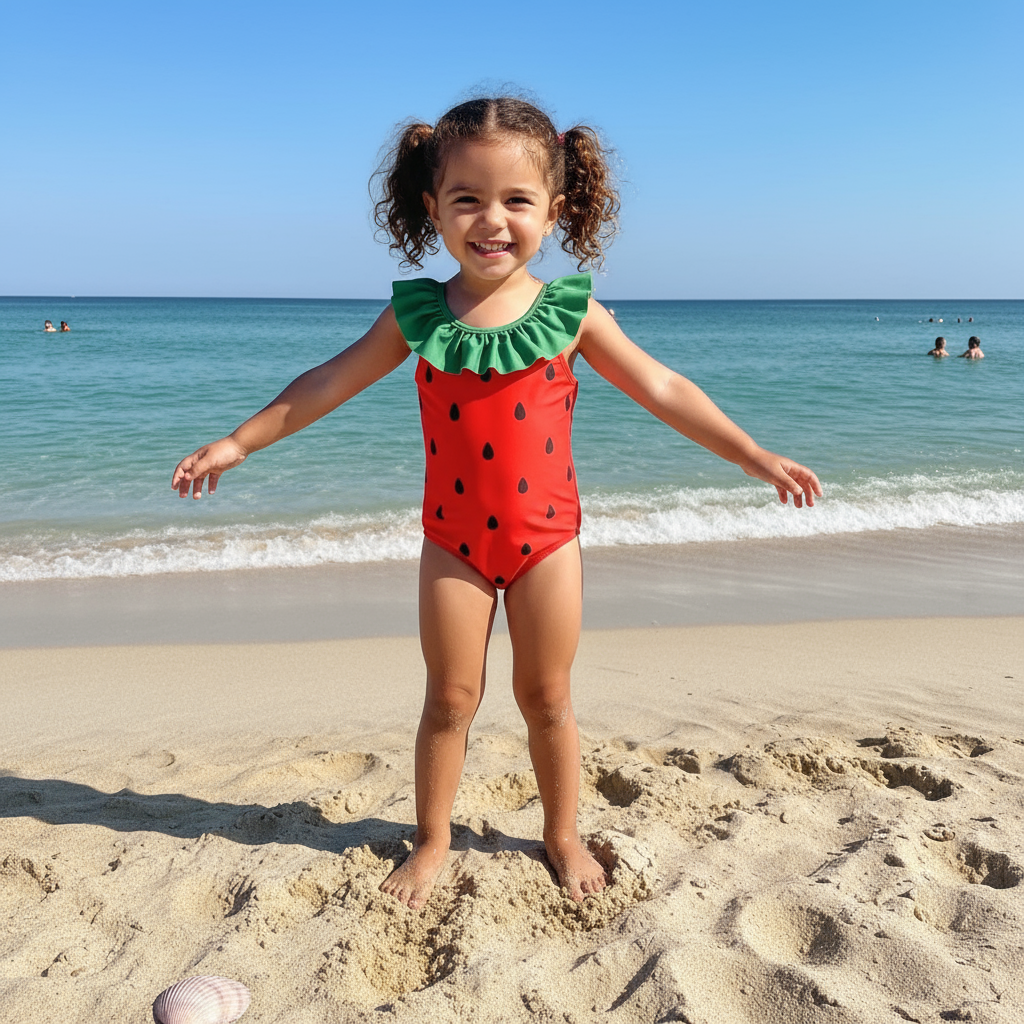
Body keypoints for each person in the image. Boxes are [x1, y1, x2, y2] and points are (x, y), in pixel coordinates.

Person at [171, 96, 822, 910]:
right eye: (467, 199)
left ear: (555, 210)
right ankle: (434, 837)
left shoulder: (572, 311)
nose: (492, 220)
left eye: (516, 200)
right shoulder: (415, 314)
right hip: (453, 542)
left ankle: (562, 833)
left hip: (547, 541)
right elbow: (327, 383)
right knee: (449, 697)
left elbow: (662, 387)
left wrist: (754, 455)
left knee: (546, 697)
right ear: (431, 208)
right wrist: (240, 440)